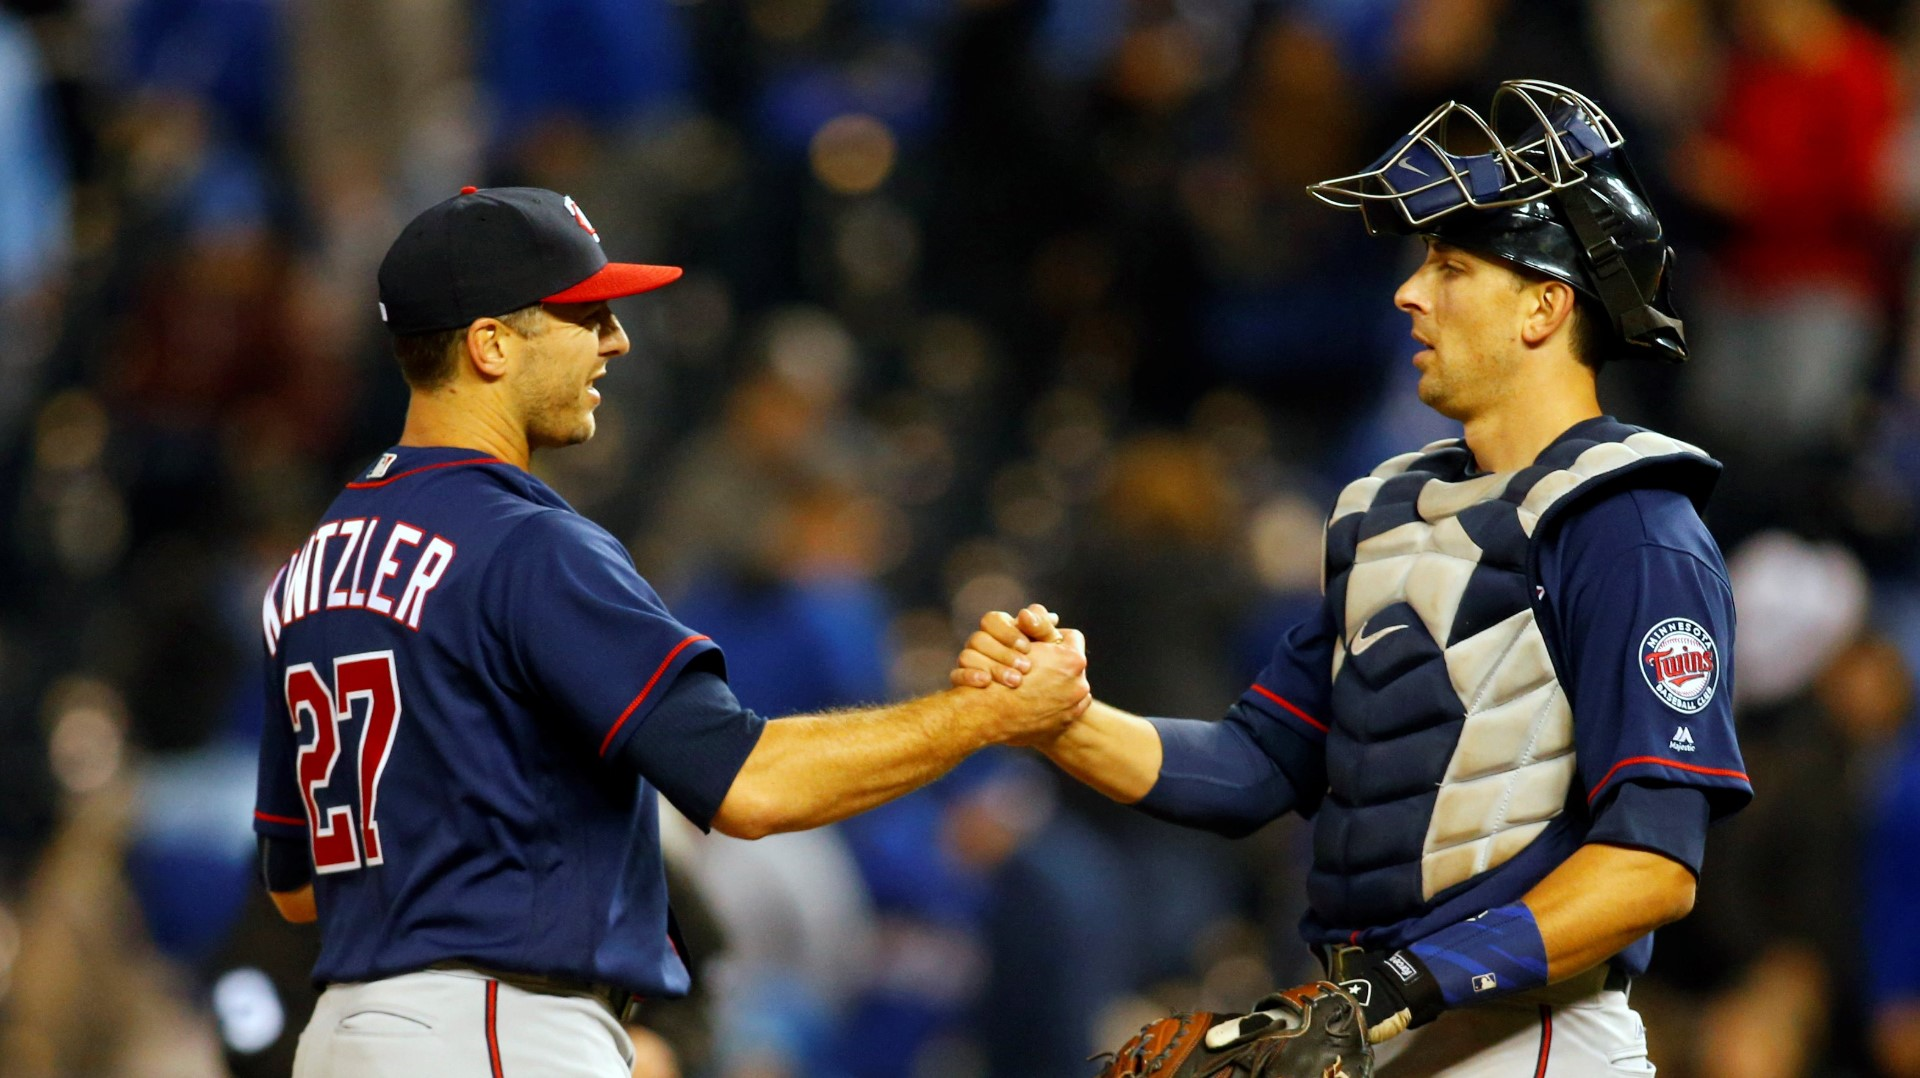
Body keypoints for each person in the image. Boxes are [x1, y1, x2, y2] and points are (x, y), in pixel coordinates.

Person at [955, 81, 1752, 1075]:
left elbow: (1650, 866)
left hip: (1532, 1038)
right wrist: (1060, 720)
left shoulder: (1633, 529)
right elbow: (1254, 765)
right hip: (1379, 1032)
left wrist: (1394, 990)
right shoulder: (1390, 516)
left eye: (1453, 267)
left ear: (1547, 306)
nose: (1409, 294)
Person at [250, 185, 1091, 1078]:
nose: (615, 339)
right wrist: (988, 715)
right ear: (490, 344)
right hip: (499, 1030)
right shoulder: (530, 544)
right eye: (584, 313)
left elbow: (298, 888)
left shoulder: (318, 558)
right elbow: (750, 787)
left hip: (345, 1034)